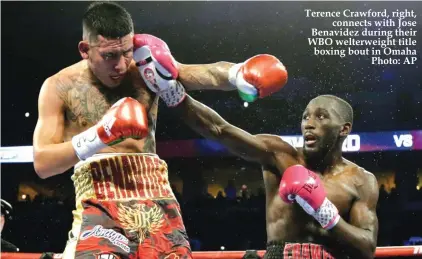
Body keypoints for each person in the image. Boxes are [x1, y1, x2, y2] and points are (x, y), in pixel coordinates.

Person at [32, 2, 282, 258]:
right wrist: (100, 135)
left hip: (156, 192)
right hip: (99, 194)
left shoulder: (144, 66)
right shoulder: (58, 87)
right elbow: (43, 163)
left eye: (126, 52)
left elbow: (203, 73)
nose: (120, 65)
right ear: (85, 50)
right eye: (109, 56)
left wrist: (238, 72)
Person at [157, 76, 378, 258]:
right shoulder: (279, 155)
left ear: (344, 129)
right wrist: (171, 90)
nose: (309, 124)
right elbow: (220, 130)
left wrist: (325, 213)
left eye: (321, 117)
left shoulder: (361, 180)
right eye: (305, 117)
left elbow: (367, 247)